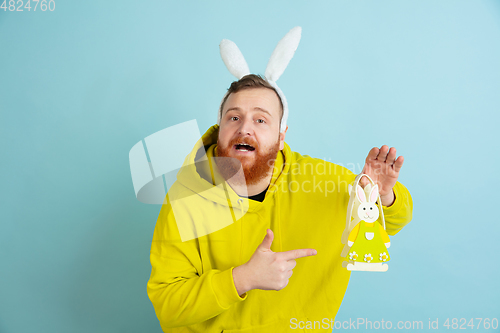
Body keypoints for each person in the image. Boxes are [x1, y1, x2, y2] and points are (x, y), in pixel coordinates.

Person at [146, 74, 413, 332]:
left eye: (260, 119)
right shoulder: (186, 196)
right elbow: (168, 305)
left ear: (281, 135)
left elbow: (390, 222)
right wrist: (242, 279)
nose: (244, 128)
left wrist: (381, 195)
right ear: (220, 131)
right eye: (234, 117)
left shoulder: (323, 181)